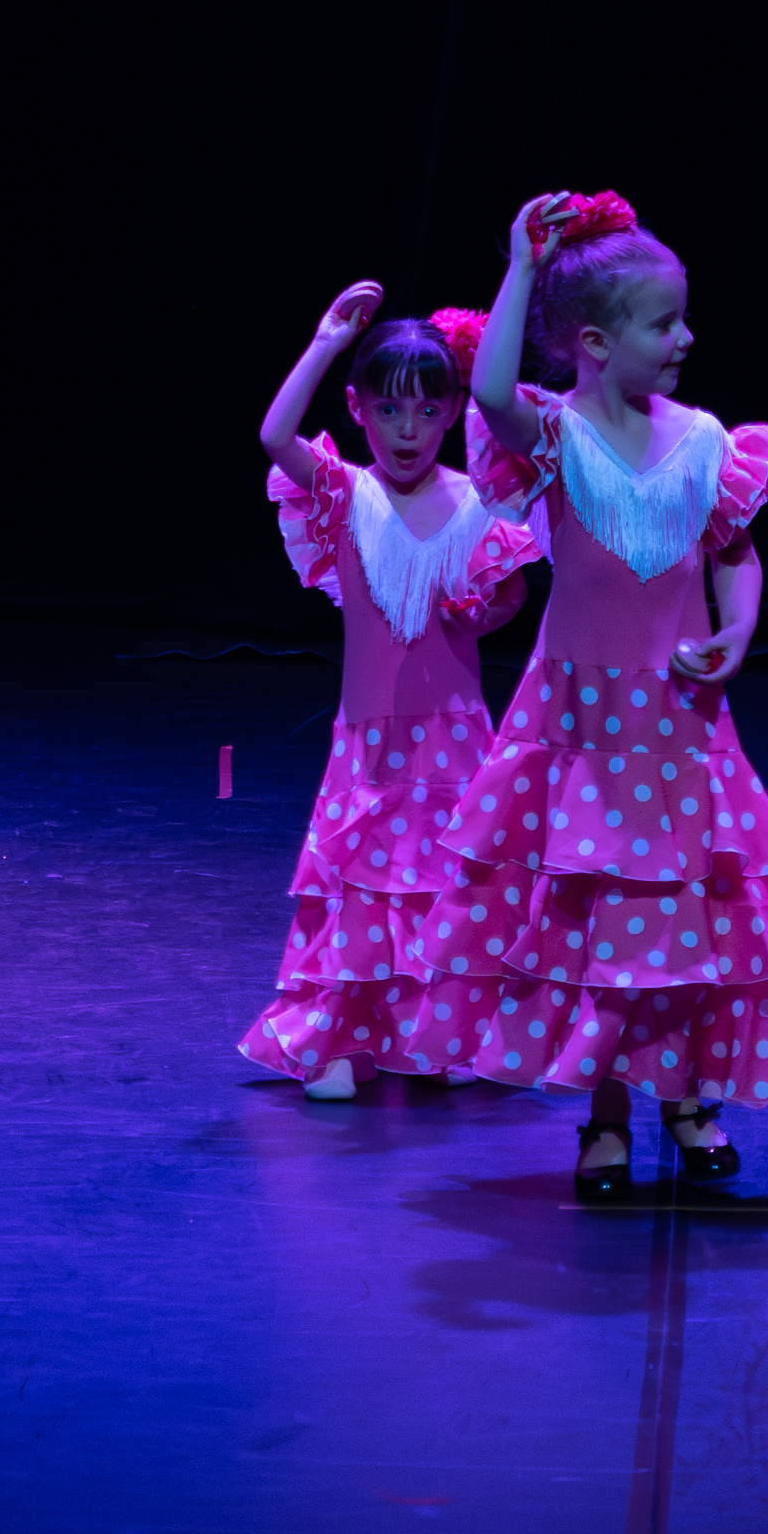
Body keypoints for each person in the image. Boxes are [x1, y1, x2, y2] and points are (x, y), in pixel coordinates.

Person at [433, 191, 768, 1198]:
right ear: (597, 344)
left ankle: (688, 1097)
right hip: (582, 727)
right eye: (665, 323)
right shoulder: (556, 434)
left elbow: (734, 554)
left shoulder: (706, 440)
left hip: (680, 727)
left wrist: (737, 628)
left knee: (687, 918)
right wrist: (523, 265)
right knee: (599, 924)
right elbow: (489, 389)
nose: (686, 338)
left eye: (685, 317)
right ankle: (606, 1113)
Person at [239, 290, 541, 1099]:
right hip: (370, 742)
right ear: (358, 409)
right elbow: (275, 437)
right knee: (363, 887)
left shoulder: (479, 505)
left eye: (428, 410)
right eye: (389, 409)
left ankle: (448, 1030)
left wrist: (480, 609)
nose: (408, 429)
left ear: (453, 411)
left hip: (455, 739)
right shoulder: (345, 495)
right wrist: (324, 341)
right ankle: (344, 1037)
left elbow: (507, 597)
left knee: (450, 884)